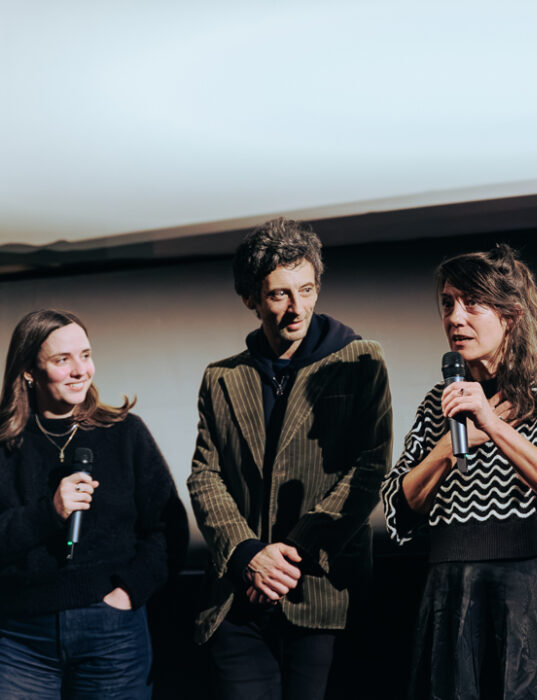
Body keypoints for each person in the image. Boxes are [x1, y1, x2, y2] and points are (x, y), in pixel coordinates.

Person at [381, 244, 537, 699]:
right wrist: (448, 446)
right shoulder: (439, 401)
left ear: (511, 314)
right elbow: (397, 507)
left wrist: (492, 424)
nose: (455, 317)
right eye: (448, 304)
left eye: (472, 303)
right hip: (450, 594)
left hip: (530, 591)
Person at [187, 217, 392, 700]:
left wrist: (284, 560)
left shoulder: (360, 361)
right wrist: (247, 555)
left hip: (322, 594)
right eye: (279, 294)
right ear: (251, 300)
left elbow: (369, 469)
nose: (296, 308)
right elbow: (204, 476)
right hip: (239, 597)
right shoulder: (222, 378)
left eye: (306, 289)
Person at [0, 309, 185, 699]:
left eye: (85, 355)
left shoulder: (124, 433)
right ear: (29, 371)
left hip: (111, 632)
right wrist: (47, 514)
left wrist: (128, 593)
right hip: (20, 638)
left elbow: (168, 528)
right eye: (62, 359)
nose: (79, 370)